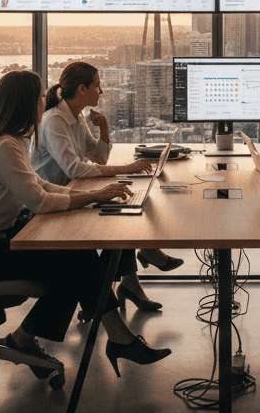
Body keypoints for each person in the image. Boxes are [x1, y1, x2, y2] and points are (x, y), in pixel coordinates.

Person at [0, 70, 171, 380]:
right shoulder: (5, 147)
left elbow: (40, 184)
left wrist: (92, 196)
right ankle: (115, 339)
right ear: (25, 103)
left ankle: (40, 339)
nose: (45, 100)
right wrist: (91, 196)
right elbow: (40, 201)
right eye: (39, 97)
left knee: (75, 257)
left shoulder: (10, 141)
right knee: (76, 261)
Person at [32, 62, 184, 313]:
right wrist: (126, 169)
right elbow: (75, 170)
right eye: (97, 85)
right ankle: (133, 269)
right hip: (54, 203)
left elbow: (99, 159)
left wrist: (103, 128)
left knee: (123, 203)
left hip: (74, 194)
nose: (101, 91)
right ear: (82, 89)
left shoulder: (76, 116)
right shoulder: (54, 121)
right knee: (119, 215)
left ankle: (130, 280)